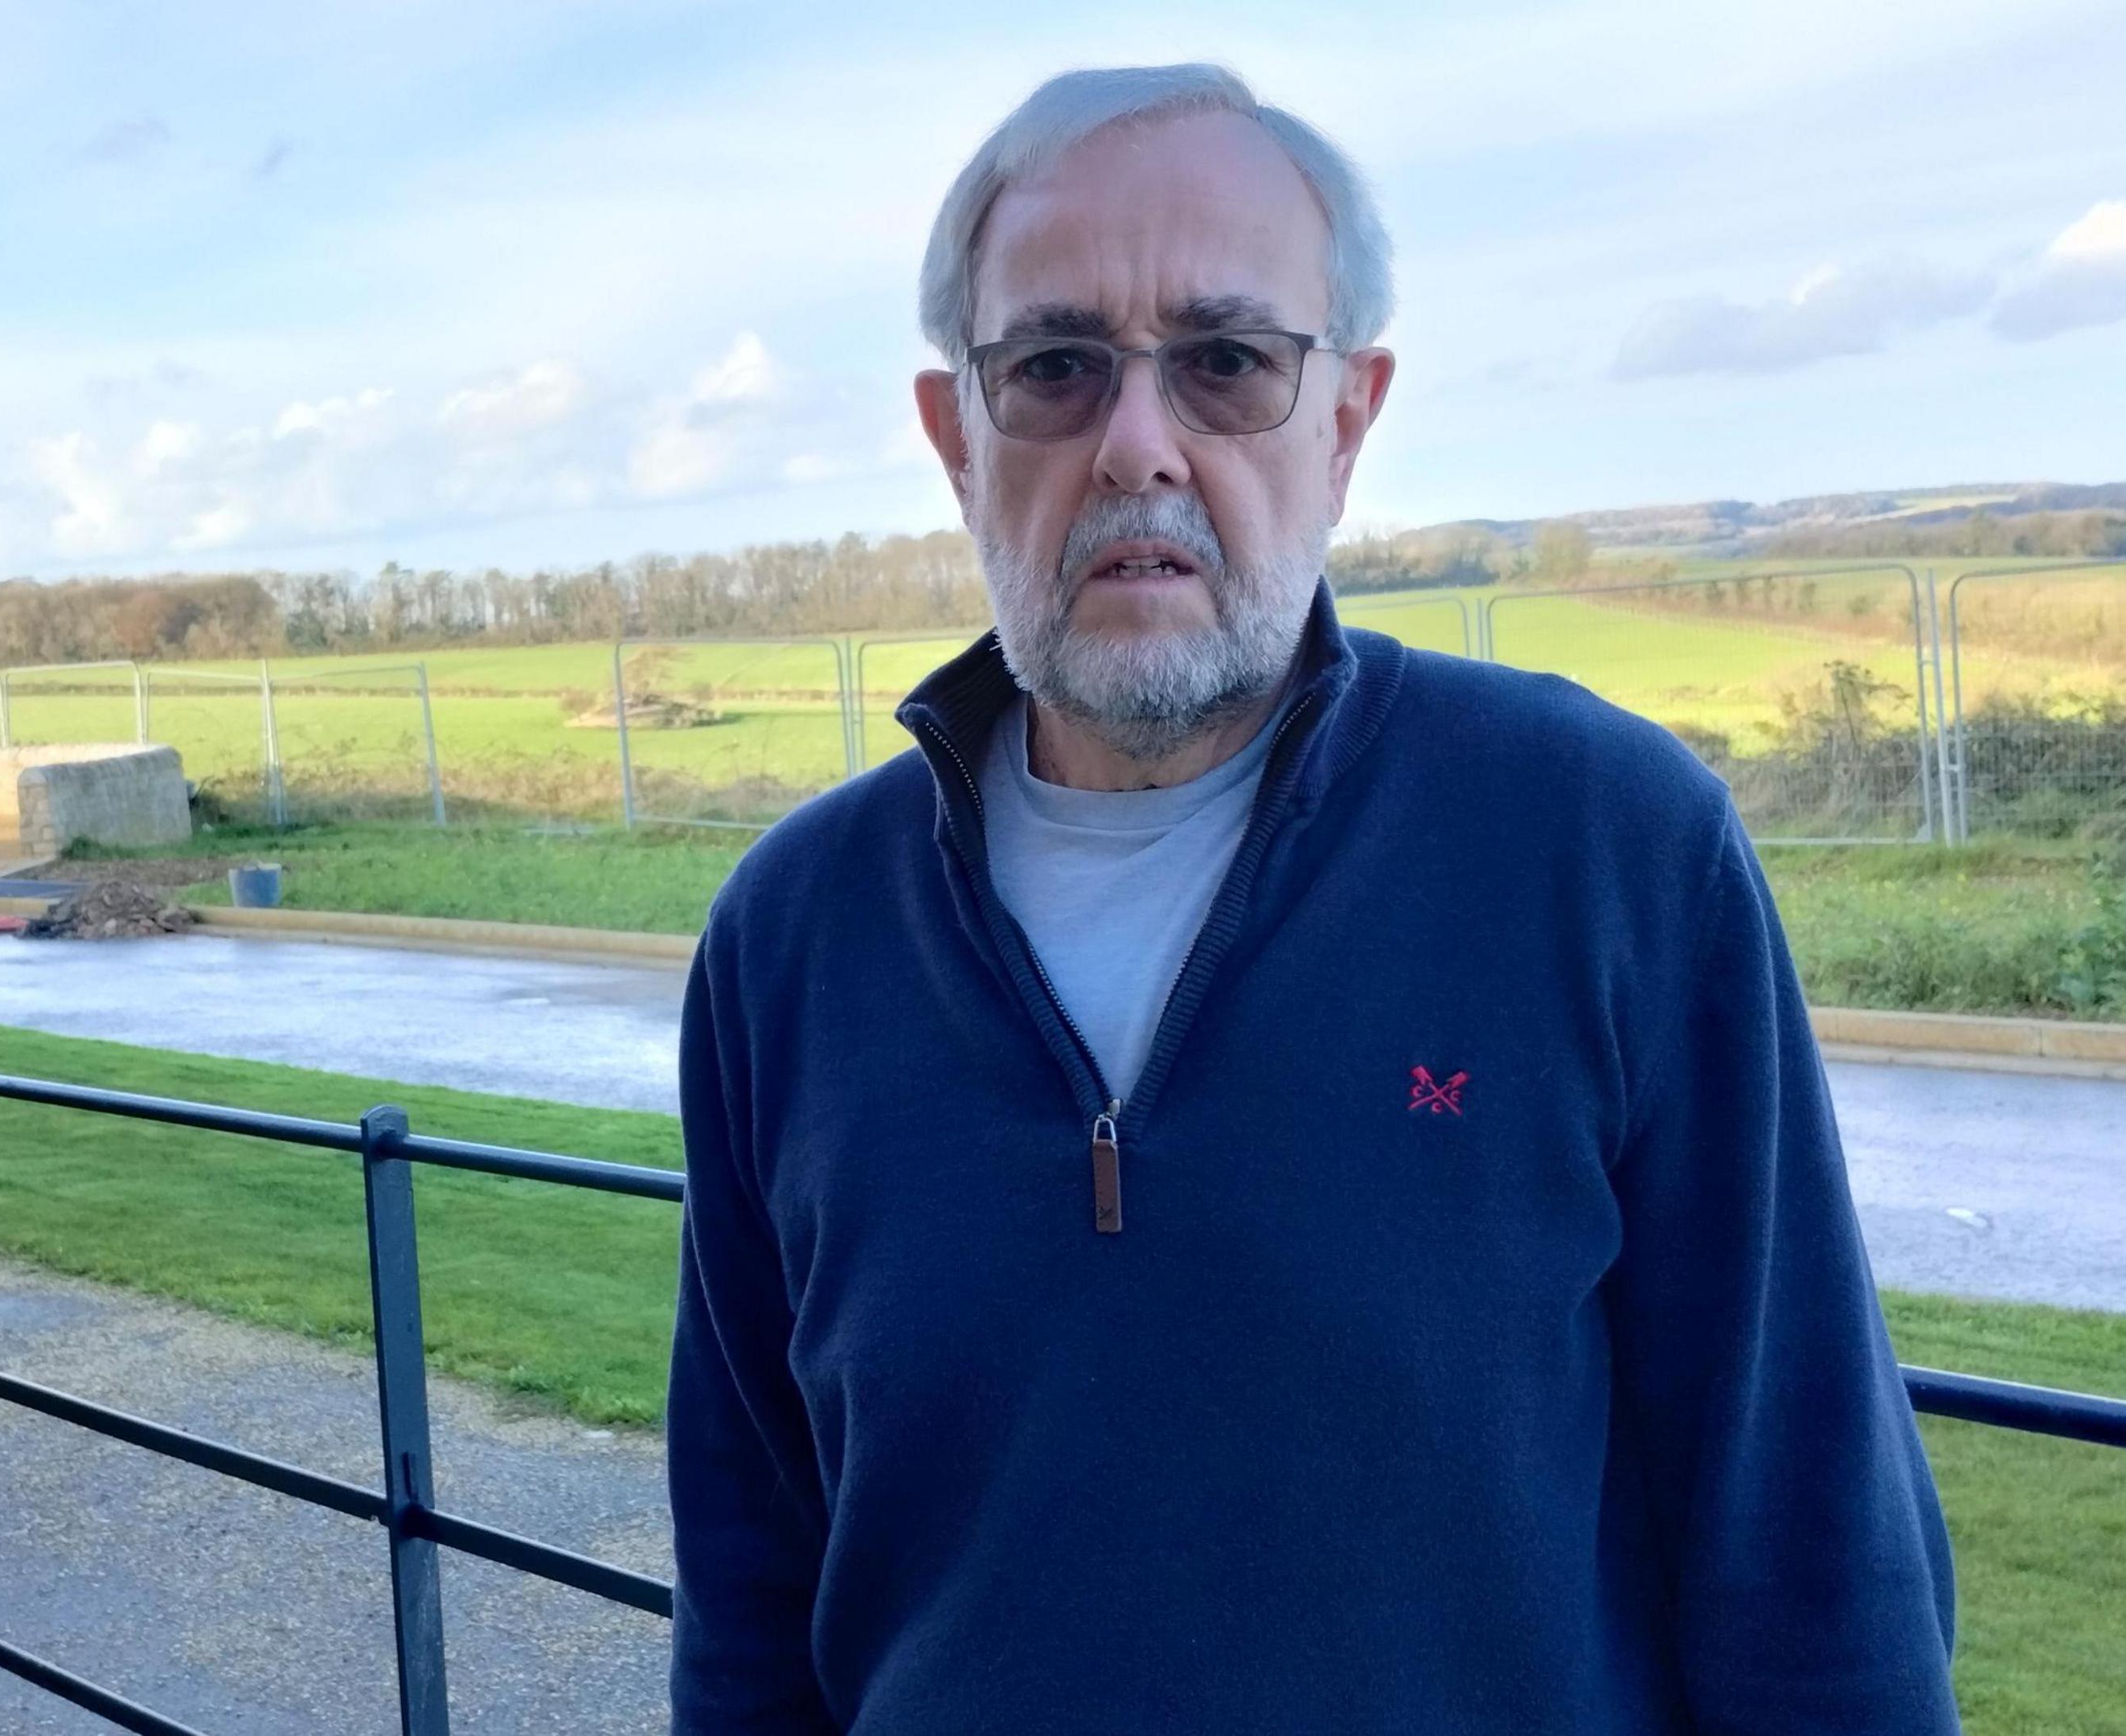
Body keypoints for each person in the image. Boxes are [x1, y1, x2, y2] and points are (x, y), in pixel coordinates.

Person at [665, 62, 1958, 1734]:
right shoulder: (792, 941)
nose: (1141, 445)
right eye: (1054, 368)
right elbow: (755, 1595)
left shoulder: (1608, 851)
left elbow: (1813, 1569)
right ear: (954, 436)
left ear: (1346, 418)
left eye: (1226, 365)